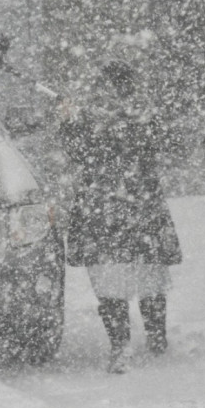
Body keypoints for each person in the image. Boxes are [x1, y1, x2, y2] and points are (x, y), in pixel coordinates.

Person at [56, 60, 182, 374]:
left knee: (141, 277)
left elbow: (151, 143)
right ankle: (134, 343)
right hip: (117, 207)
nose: (113, 94)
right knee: (123, 278)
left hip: (123, 206)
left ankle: (145, 342)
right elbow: (80, 152)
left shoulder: (141, 114)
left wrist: (87, 124)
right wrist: (70, 121)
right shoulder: (96, 115)